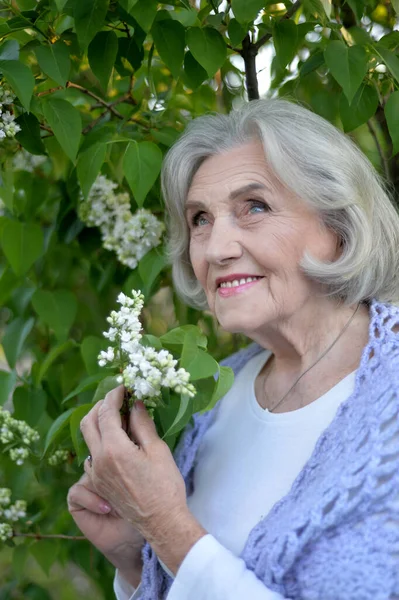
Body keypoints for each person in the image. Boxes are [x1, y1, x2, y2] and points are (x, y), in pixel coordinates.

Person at [67, 99, 399, 600]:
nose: (216, 248)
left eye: (255, 207)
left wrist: (167, 526)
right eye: (200, 218)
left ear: (338, 226)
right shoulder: (216, 398)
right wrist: (137, 561)